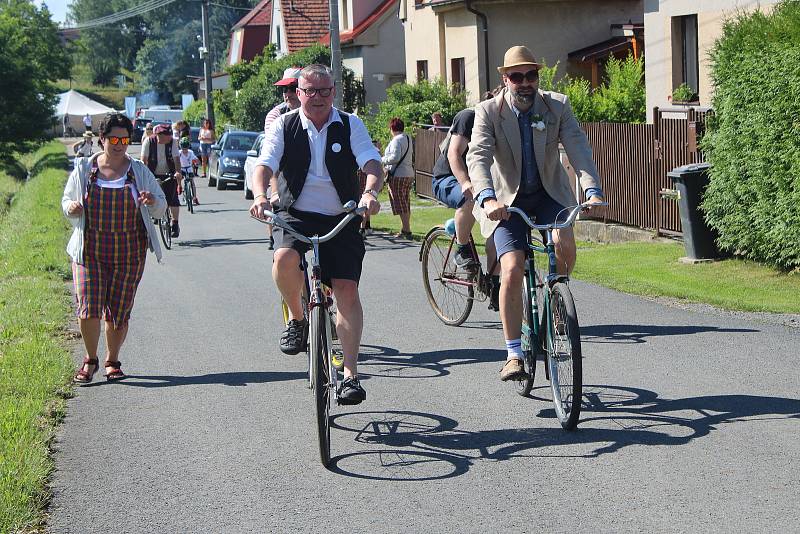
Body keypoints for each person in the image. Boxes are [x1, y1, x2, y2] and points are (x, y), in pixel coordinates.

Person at [467, 45, 605, 382]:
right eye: (517, 76)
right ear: (505, 79)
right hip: (505, 202)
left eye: (531, 75)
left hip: (548, 195)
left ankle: (557, 299)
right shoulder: (488, 111)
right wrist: (486, 198)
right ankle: (513, 353)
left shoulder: (556, 105)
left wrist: (591, 189)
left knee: (564, 244)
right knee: (512, 268)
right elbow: (478, 157)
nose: (525, 82)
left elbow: (578, 147)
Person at [249, 64, 383, 405]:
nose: (318, 97)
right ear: (299, 93)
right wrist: (261, 196)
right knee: (284, 258)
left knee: (346, 290)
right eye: (310, 91)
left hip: (342, 216)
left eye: (325, 91)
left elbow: (371, 163)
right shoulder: (284, 125)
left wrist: (369, 193)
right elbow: (264, 165)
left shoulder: (350, 124)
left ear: (333, 92)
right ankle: (297, 318)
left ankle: (351, 375)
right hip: (296, 215)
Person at [62, 112, 167, 384]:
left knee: (119, 312)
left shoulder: (139, 172)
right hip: (90, 252)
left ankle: (112, 360)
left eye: (124, 138)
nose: (119, 144)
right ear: (102, 139)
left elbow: (161, 207)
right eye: (113, 139)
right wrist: (72, 208)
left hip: (129, 253)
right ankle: (90, 359)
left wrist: (152, 200)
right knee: (89, 307)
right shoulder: (85, 169)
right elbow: (67, 201)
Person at [432, 89, 499, 270]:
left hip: (481, 181)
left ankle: (494, 286)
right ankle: (462, 249)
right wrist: (466, 182)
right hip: (447, 178)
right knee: (470, 198)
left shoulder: (503, 123)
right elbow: (454, 154)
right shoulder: (468, 117)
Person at [260, 66, 302, 250]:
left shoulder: (321, 111)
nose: (289, 94)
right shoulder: (276, 116)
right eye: (285, 89)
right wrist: (275, 191)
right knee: (274, 204)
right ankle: (274, 237)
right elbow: (274, 157)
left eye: (293, 88)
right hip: (282, 172)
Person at [141, 123, 183, 237]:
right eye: (167, 136)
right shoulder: (149, 142)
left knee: (173, 199)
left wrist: (178, 172)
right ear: (159, 135)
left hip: (169, 173)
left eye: (170, 135)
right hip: (152, 174)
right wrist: (144, 177)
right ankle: (156, 214)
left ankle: (175, 223)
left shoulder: (173, 142)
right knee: (154, 197)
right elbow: (143, 161)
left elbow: (177, 160)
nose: (169, 138)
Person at [381, 117, 414, 239]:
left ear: (392, 128)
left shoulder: (396, 140)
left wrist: (382, 159)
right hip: (408, 173)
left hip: (398, 175)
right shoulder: (407, 138)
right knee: (405, 202)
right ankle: (405, 228)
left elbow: (395, 157)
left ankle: (406, 230)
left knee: (400, 203)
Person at [178, 136, 200, 205]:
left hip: (189, 168)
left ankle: (194, 197)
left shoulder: (190, 152)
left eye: (186, 148)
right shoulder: (179, 153)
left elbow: (196, 159)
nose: (185, 150)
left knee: (192, 182)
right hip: (182, 168)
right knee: (178, 177)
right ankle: (179, 186)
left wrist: (196, 162)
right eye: (183, 148)